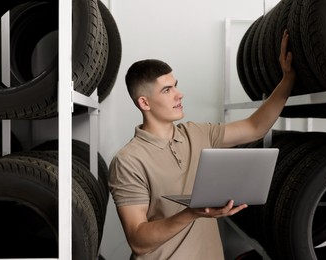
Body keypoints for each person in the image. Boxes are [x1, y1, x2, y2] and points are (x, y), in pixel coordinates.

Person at [109, 29, 295, 260]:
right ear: (144, 102)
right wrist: (192, 213)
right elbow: (138, 240)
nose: (180, 94)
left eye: (176, 85)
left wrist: (287, 80)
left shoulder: (197, 133)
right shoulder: (128, 160)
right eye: (167, 90)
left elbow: (255, 127)